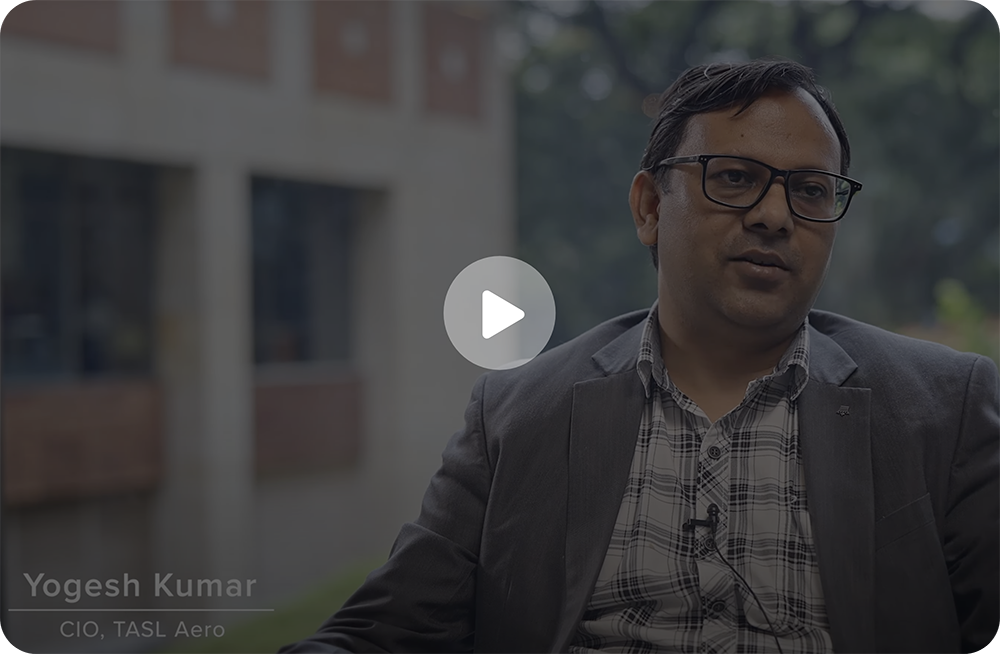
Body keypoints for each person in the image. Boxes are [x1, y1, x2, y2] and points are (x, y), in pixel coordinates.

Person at [278, 58, 1000, 654]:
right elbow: (385, 633)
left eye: (811, 190)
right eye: (735, 177)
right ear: (650, 207)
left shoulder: (944, 407)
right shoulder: (517, 415)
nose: (775, 216)